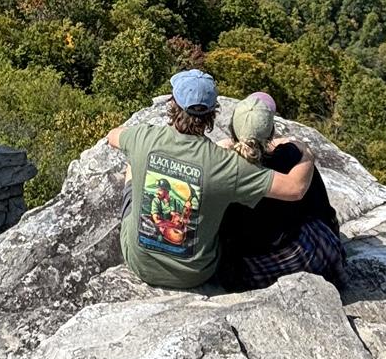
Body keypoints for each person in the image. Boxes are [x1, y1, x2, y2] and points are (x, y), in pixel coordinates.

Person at [107, 69, 315, 290]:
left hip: (139, 263)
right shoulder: (227, 165)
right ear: (213, 113)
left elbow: (113, 136)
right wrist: (307, 154)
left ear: (172, 104)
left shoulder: (143, 137)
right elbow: (296, 188)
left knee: (132, 162)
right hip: (194, 274)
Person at [217, 93, 344, 289]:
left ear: (232, 130)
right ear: (271, 132)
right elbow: (317, 204)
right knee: (309, 181)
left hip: (247, 269)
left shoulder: (219, 164)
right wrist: (305, 152)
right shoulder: (290, 157)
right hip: (299, 258)